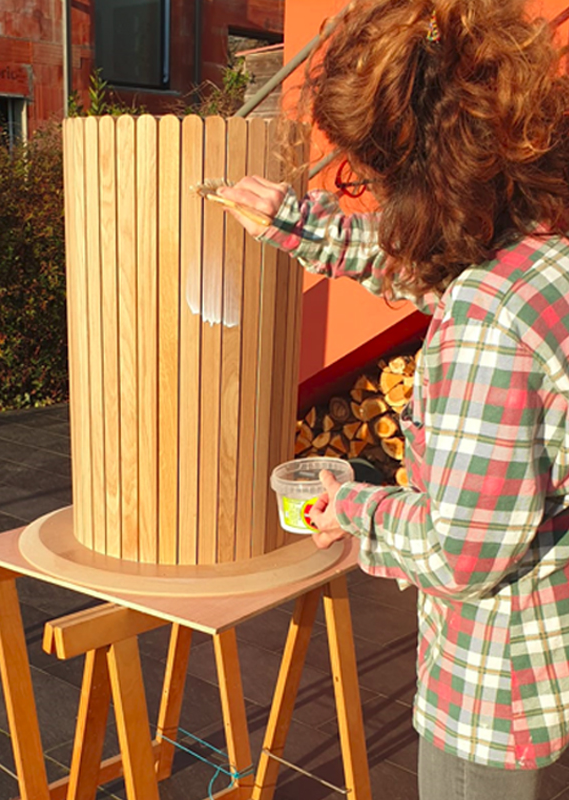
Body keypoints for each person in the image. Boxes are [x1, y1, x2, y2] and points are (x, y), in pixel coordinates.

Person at [218, 0, 569, 798]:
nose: (368, 199)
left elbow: (462, 552)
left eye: (371, 182)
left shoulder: (487, 325)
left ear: (421, 180)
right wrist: (293, 222)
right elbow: (424, 259)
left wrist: (352, 507)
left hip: (499, 711)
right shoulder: (540, 259)